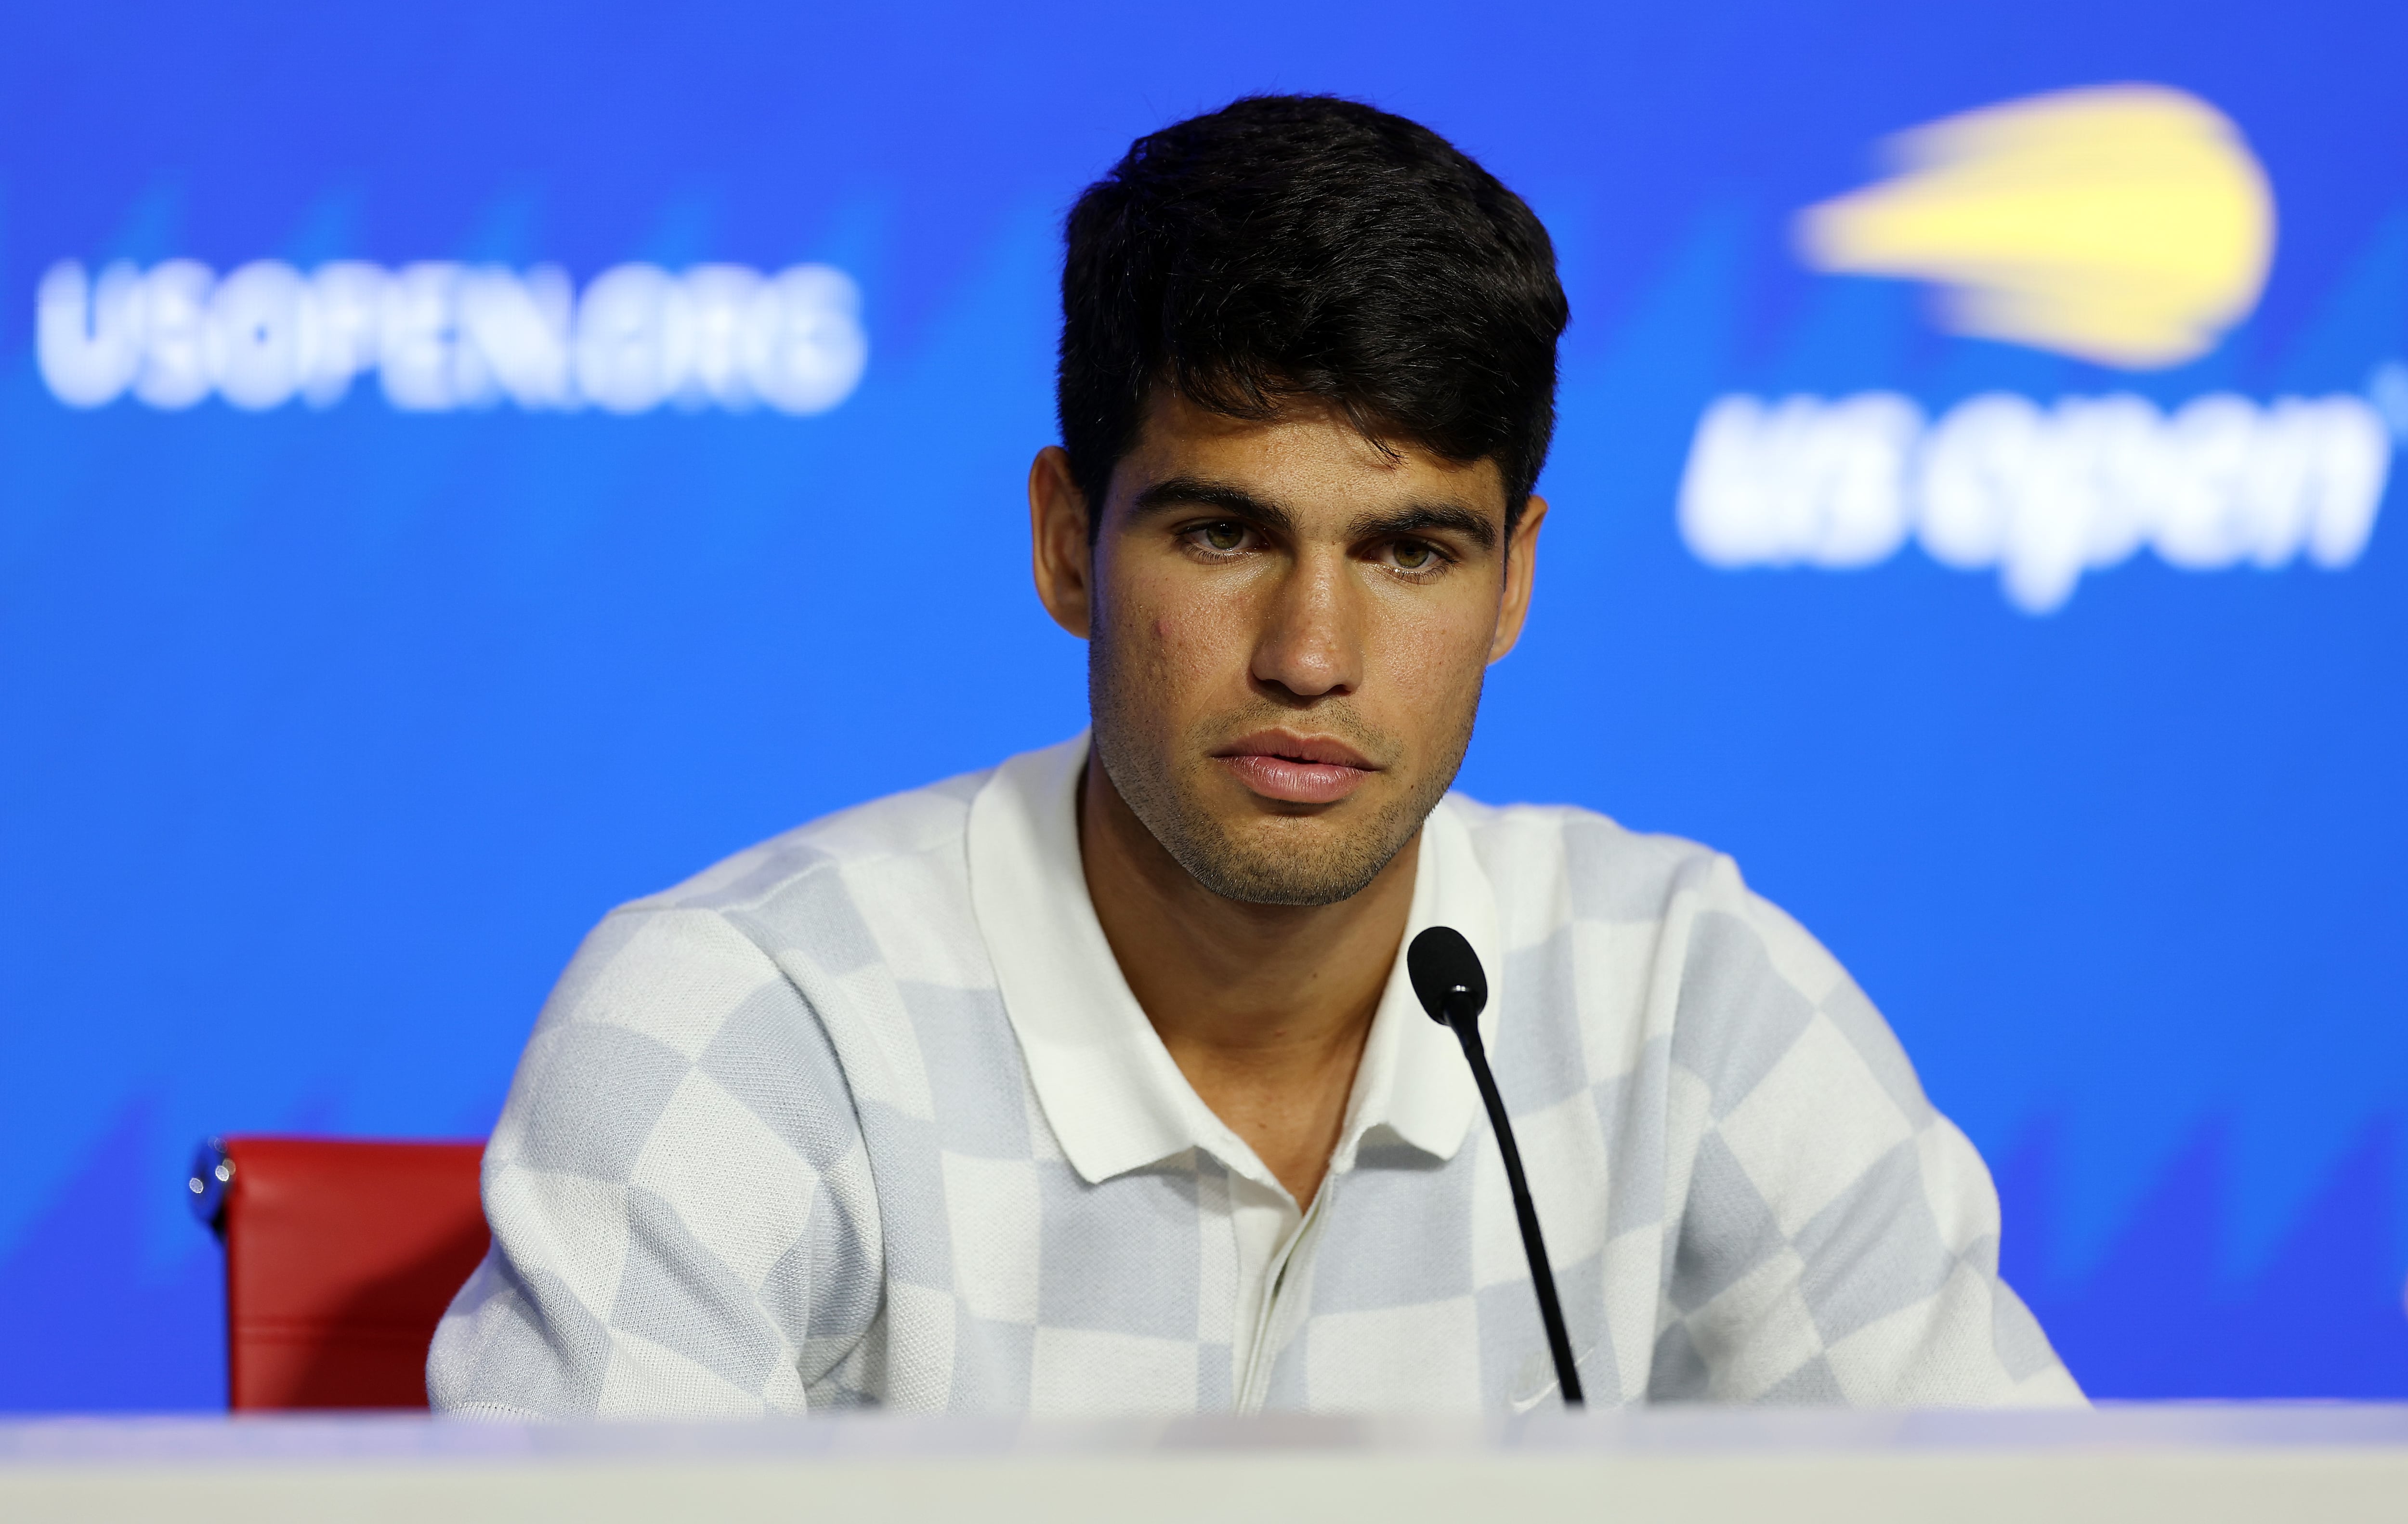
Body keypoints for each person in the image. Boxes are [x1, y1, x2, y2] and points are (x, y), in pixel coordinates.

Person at [428, 95, 2082, 1417]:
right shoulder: (742, 1031)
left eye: (1412, 554)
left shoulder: (1694, 1006)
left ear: (1514, 582)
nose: (1310, 655)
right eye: (1226, 536)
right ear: (1070, 545)